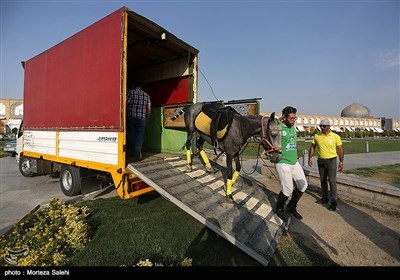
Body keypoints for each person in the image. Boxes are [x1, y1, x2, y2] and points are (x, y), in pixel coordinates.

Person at [274, 106, 308, 221]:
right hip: (283, 162)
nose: (294, 120)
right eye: (291, 118)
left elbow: (292, 143)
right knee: (287, 189)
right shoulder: (278, 128)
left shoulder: (293, 128)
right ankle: (278, 208)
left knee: (303, 185)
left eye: (295, 118)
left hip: (294, 162)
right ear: (284, 117)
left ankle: (291, 206)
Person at [308, 119, 344, 211]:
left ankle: (334, 201)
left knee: (332, 181)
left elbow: (340, 149)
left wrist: (341, 162)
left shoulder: (335, 136)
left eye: (324, 126)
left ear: (328, 127)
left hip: (331, 161)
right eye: (321, 126)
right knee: (323, 180)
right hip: (321, 161)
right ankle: (325, 198)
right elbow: (313, 147)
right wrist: (310, 158)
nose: (322, 128)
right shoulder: (317, 136)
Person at [126, 83, 151, 160]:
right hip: (142, 118)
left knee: (132, 133)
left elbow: (125, 104)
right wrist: (147, 118)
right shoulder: (146, 95)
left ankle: (133, 150)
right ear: (141, 86)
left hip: (131, 117)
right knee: (140, 134)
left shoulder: (130, 93)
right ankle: (138, 149)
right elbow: (149, 108)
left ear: (134, 86)